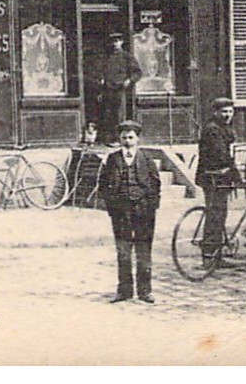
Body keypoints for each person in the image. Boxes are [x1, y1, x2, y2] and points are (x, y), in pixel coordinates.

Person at [96, 119, 162, 303]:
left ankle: (145, 291)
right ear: (119, 138)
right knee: (123, 250)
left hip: (143, 210)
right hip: (121, 210)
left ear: (138, 139)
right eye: (124, 137)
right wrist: (111, 205)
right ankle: (124, 290)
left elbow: (156, 184)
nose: (127, 141)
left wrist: (152, 206)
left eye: (131, 137)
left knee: (143, 250)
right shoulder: (113, 159)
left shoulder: (147, 159)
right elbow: (103, 184)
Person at [195, 97, 241, 259]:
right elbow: (220, 155)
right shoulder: (213, 129)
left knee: (219, 213)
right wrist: (235, 172)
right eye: (224, 112)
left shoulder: (223, 127)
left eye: (230, 111)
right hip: (212, 177)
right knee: (215, 214)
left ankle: (216, 253)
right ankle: (210, 254)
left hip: (220, 176)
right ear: (216, 112)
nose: (227, 115)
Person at [98, 35, 144, 138]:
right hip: (108, 89)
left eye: (118, 41)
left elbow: (138, 72)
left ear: (122, 42)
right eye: (113, 41)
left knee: (120, 115)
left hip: (121, 90)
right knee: (108, 115)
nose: (115, 44)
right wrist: (101, 79)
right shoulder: (107, 57)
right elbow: (101, 71)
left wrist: (129, 80)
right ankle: (110, 138)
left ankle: (120, 139)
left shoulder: (127, 57)